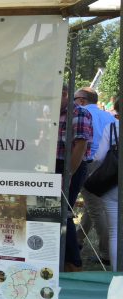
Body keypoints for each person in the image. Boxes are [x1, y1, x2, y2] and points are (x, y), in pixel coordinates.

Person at [74, 88, 116, 265]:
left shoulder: (80, 113)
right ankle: (79, 239)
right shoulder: (110, 117)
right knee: (94, 206)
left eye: (75, 98)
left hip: (89, 162)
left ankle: (106, 253)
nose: (73, 102)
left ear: (82, 100)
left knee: (96, 209)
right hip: (109, 167)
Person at [56, 86, 93, 272]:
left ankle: (73, 263)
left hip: (71, 167)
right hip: (55, 165)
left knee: (64, 213)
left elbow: (80, 147)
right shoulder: (53, 112)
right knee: (55, 213)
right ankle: (62, 259)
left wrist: (67, 174)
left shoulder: (79, 113)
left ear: (64, 94)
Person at [91, 99, 119, 271]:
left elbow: (99, 157)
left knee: (115, 231)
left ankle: (116, 274)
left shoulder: (113, 128)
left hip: (112, 184)